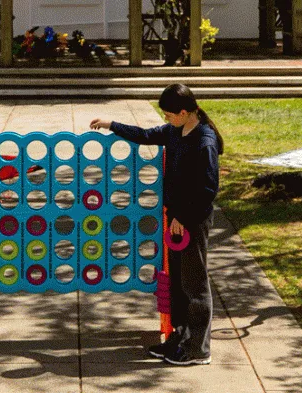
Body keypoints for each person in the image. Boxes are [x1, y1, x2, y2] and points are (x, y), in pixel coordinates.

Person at [90, 84, 223, 366]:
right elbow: (145, 135)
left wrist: (182, 219)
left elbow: (207, 189)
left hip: (191, 222)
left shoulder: (204, 141)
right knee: (178, 283)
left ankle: (198, 349)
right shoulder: (176, 130)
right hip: (176, 221)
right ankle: (180, 337)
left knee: (195, 283)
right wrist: (111, 124)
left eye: (169, 114)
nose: (166, 119)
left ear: (185, 112)